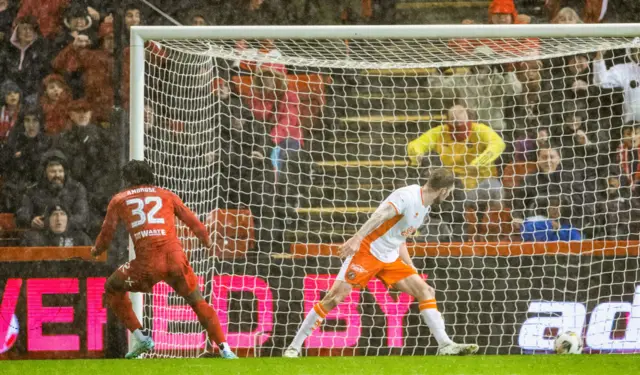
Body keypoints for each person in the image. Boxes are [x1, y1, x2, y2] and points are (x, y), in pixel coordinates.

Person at [283, 168, 479, 357]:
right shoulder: (407, 196)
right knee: (334, 297)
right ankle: (294, 347)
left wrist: (411, 268)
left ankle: (445, 344)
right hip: (368, 250)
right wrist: (357, 238)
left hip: (390, 256)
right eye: (450, 192)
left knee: (425, 291)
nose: (450, 195)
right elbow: (379, 215)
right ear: (444, 191)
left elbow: (399, 239)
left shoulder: (424, 206)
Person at [90, 160, 237, 360]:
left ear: (127, 180)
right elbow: (195, 224)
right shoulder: (167, 195)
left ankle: (141, 337)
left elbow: (106, 236)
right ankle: (225, 349)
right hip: (176, 260)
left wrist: (96, 250)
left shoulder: (119, 199)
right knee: (198, 301)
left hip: (146, 265)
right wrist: (207, 242)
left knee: (112, 287)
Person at [16, 149, 89, 232]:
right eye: (53, 171)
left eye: (60, 171)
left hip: (69, 234)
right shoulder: (32, 191)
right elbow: (22, 215)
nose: (57, 175)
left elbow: (82, 217)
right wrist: (31, 221)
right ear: (44, 173)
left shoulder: (77, 189)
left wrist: (54, 224)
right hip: (41, 235)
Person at [21, 203, 92, 246]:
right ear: (48, 219)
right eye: (54, 215)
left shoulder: (81, 238)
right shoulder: (35, 238)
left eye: (62, 214)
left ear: (68, 219)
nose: (59, 219)